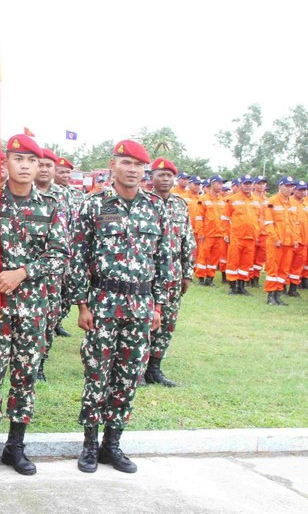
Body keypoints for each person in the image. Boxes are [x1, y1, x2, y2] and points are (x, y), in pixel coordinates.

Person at [67, 140, 172, 474]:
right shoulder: (94, 204)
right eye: (126, 163)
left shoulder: (156, 206)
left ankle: (113, 444)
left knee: (128, 376)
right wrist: (82, 305)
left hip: (141, 305)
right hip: (102, 304)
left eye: (138, 166)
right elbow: (78, 257)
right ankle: (89, 445)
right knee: (96, 374)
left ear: (145, 171)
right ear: (113, 165)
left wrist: (158, 306)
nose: (132, 170)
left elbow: (164, 260)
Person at [0, 135, 69, 477]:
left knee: (24, 376)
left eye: (32, 160)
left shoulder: (51, 205)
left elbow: (60, 254)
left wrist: (23, 272)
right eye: (18, 159)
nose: (26, 165)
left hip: (33, 307)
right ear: (5, 163)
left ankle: (15, 446)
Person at [145, 158, 195, 387]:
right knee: (143, 320)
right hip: (147, 272)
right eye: (160, 175)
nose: (165, 179)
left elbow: (188, 240)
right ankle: (136, 368)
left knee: (167, 322)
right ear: (151, 177)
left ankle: (154, 368)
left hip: (173, 274)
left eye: (169, 175)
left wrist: (187, 273)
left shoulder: (180, 204)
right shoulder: (144, 202)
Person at [33, 146, 70, 382]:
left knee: (49, 318)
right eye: (41, 164)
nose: (44, 169)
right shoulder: (20, 192)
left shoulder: (66, 196)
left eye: (49, 165)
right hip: (24, 273)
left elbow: (73, 234)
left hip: (54, 273)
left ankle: (40, 364)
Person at [54, 156, 85, 339]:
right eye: (61, 171)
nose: (65, 175)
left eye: (68, 172)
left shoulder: (77, 194)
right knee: (56, 287)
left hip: (73, 248)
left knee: (68, 287)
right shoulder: (50, 193)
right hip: (56, 248)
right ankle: (52, 320)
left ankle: (59, 320)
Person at [263, 177, 299, 305]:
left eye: (291, 186)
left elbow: (296, 223)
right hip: (276, 243)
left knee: (283, 270)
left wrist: (296, 239)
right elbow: (268, 223)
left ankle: (278, 294)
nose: (290, 189)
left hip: (289, 243)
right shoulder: (272, 201)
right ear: (280, 186)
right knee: (273, 269)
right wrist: (275, 238)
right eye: (287, 186)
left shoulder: (293, 204)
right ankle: (270, 296)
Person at [223, 174, 260, 296]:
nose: (248, 186)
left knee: (246, 263)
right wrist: (226, 233)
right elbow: (225, 218)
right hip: (237, 236)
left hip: (251, 237)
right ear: (240, 185)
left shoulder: (257, 201)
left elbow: (260, 219)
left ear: (253, 185)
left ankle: (242, 286)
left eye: (250, 184)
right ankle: (233, 287)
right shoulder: (232, 199)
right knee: (233, 261)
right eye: (245, 184)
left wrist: (258, 233)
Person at [194, 176, 226, 286]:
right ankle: (201, 278)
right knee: (203, 256)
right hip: (207, 234)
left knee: (214, 258)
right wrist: (200, 232)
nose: (221, 185)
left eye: (222, 183)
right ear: (212, 184)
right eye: (219, 183)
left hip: (219, 234)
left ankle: (210, 278)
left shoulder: (222, 200)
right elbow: (199, 217)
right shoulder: (203, 199)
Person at [250, 176, 269, 287]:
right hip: (254, 232)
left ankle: (256, 278)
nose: (261, 185)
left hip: (265, 233)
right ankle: (248, 277)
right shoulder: (251, 199)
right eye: (259, 183)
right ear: (254, 185)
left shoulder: (268, 201)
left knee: (260, 258)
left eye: (263, 183)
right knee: (250, 256)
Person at [291, 181, 308, 291]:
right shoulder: (289, 202)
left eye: (304, 190)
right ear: (294, 190)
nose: (302, 192)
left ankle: (293, 289)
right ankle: (281, 287)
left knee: (298, 265)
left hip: (304, 239)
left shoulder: (306, 204)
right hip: (291, 239)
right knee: (286, 265)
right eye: (300, 189)